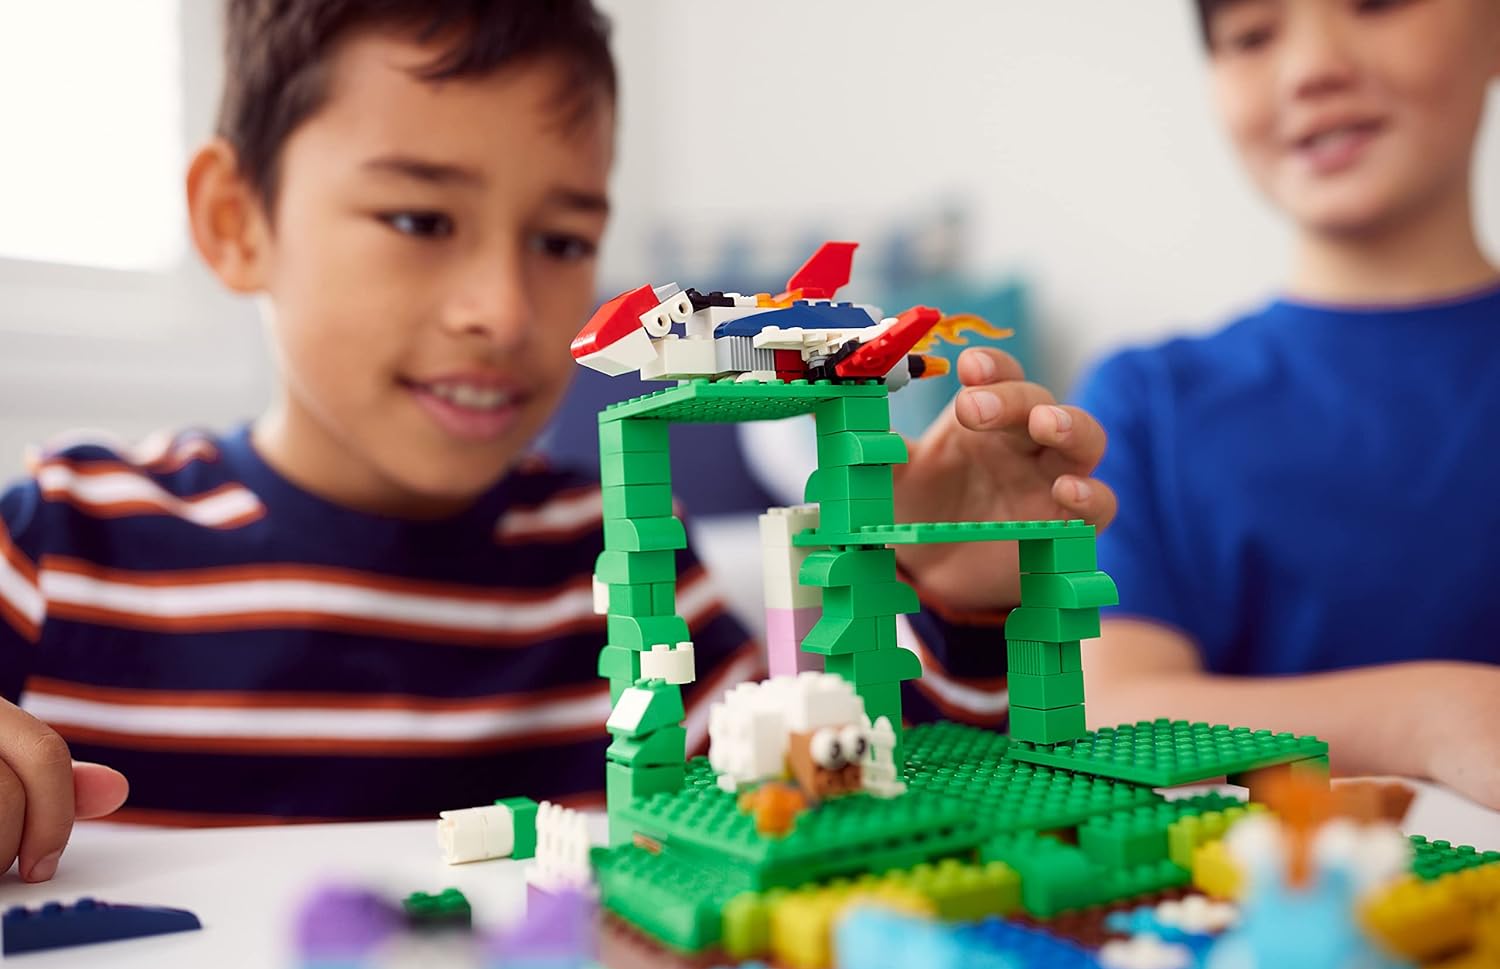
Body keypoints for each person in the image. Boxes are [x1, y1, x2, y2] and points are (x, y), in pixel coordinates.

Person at [0, 0, 1116, 883]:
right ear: (235, 221)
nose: (503, 308)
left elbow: (861, 797)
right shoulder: (58, 547)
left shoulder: (617, 551)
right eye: (420, 219)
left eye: (562, 239)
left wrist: (949, 589)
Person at [1078, 0, 1500, 806]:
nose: (1312, 69)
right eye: (1251, 36)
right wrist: (1436, 717)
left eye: (1376, 4)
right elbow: (1108, 711)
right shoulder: (1144, 405)